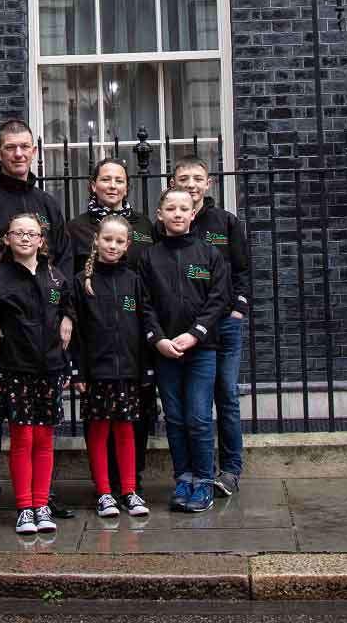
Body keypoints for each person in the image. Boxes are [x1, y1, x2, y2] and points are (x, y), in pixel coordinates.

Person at [0, 118, 74, 529]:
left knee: (41, 419)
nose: (18, 154)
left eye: (25, 146)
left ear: (34, 150)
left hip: (42, 330)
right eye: (10, 148)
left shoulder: (48, 204)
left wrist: (67, 315)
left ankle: (41, 498)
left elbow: (66, 264)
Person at [65, 157, 157, 497]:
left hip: (134, 337)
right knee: (100, 421)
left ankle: (133, 481)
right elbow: (70, 282)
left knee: (137, 415)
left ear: (127, 186)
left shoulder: (145, 225)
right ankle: (103, 486)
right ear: (93, 184)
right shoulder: (76, 228)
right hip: (96, 336)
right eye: (106, 179)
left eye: (119, 180)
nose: (113, 185)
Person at [137, 185, 232, 513]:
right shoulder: (149, 257)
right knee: (175, 418)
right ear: (160, 215)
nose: (177, 214)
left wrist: (195, 334)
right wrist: (158, 339)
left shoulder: (210, 254)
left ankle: (204, 481)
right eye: (171, 209)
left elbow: (218, 299)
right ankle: (184, 479)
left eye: (183, 209)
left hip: (202, 349)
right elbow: (143, 304)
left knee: (198, 417)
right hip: (165, 352)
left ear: (193, 214)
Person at [0, 212, 76, 536]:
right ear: (7, 239)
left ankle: (42, 504)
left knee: (45, 440)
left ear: (40, 240)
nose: (24, 238)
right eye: (17, 232)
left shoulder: (56, 277)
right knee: (22, 439)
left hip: (49, 368)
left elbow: (66, 315)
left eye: (31, 233)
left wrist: (65, 364)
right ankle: (24, 508)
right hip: (15, 368)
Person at [173, 156, 251, 498]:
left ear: (209, 183)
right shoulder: (170, 222)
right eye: (184, 178)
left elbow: (243, 270)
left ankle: (231, 470)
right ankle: (196, 472)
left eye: (197, 178)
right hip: (189, 329)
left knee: (227, 396)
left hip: (224, 325)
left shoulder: (226, 222)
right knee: (194, 404)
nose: (191, 184)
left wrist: (238, 310)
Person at [72, 215, 152, 520]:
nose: (113, 245)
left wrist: (145, 368)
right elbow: (75, 331)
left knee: (126, 430)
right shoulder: (82, 282)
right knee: (98, 431)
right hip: (96, 372)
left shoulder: (133, 281)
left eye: (120, 241)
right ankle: (104, 492)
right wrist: (78, 370)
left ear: (128, 245)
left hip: (128, 371)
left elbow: (144, 323)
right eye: (108, 239)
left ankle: (129, 490)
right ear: (96, 240)